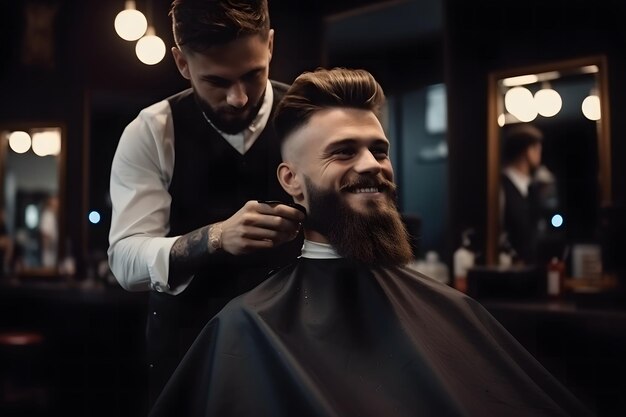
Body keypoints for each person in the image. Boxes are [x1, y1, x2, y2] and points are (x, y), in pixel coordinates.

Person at [149, 68, 591, 417]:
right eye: (343, 152)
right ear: (292, 182)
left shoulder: (452, 309)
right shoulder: (247, 327)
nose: (372, 165)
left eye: (379, 150)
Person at [107, 0, 304, 405]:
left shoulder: (307, 119)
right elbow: (125, 259)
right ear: (181, 62)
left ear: (270, 44)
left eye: (253, 75)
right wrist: (214, 237)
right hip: (187, 353)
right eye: (216, 81)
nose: (237, 98)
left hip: (294, 349)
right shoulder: (151, 132)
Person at [500, 123, 544, 264]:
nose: (539, 154)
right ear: (527, 151)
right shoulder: (501, 186)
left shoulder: (531, 187)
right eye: (537, 149)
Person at [39, 195, 58, 268]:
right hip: (49, 254)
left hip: (53, 253)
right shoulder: (47, 216)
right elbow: (45, 235)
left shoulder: (53, 216)